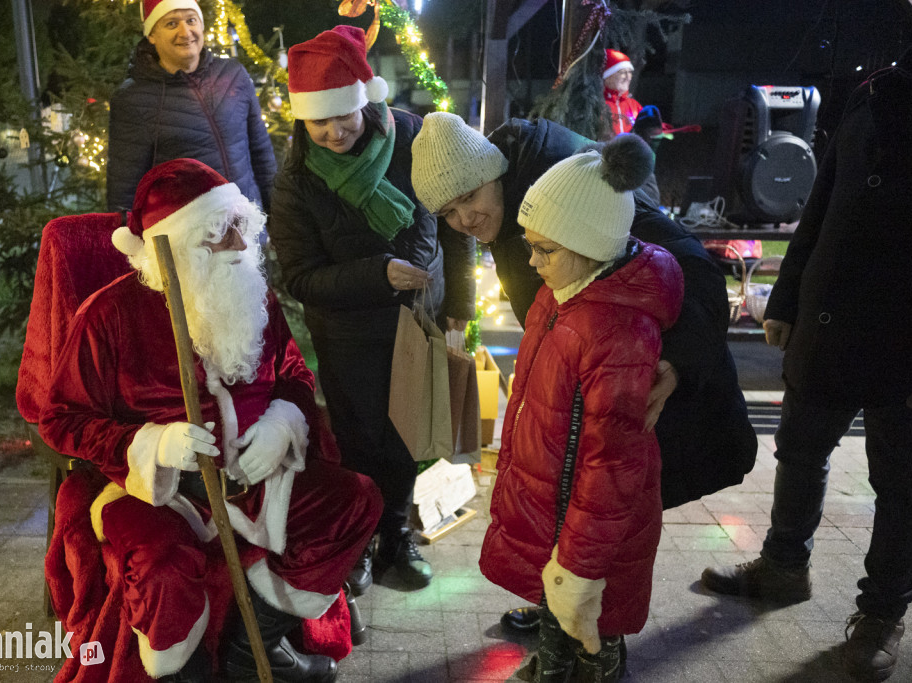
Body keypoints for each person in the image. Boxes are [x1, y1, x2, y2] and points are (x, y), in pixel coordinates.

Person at [39, 158, 382, 682]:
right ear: (178, 246)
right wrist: (150, 444)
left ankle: (255, 650)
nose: (242, 247)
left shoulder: (255, 295)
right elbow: (61, 419)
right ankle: (187, 672)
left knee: (356, 501)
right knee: (160, 569)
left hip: (257, 478)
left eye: (242, 227)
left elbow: (293, 373)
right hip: (159, 491)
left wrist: (282, 420)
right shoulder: (108, 316)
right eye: (221, 234)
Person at [411, 112, 757, 631]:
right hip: (578, 379)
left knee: (609, 519)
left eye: (470, 200)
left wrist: (679, 363)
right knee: (565, 504)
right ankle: (560, 609)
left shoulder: (575, 188)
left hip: (634, 383)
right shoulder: (502, 198)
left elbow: (689, 266)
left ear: (496, 172)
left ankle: (595, 633)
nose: (463, 219)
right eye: (448, 211)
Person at [700, 45, 912, 682]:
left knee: (902, 487)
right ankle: (784, 567)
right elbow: (821, 203)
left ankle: (880, 616)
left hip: (905, 335)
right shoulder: (877, 89)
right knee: (798, 448)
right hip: (831, 317)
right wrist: (788, 296)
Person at [267, 26, 476, 593]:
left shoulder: (414, 139)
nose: (334, 132)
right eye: (320, 122)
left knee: (410, 433)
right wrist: (377, 274)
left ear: (367, 101)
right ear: (303, 121)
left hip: (420, 319)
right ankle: (360, 539)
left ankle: (396, 536)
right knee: (361, 438)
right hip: (348, 333)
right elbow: (301, 277)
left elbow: (455, 224)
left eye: (345, 117)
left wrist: (460, 303)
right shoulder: (295, 181)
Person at [480, 135, 684, 682]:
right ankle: (555, 658)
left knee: (590, 600)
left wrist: (581, 560)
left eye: (544, 249)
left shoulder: (615, 331)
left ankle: (599, 663)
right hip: (553, 490)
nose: (532, 261)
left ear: (591, 246)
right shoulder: (563, 290)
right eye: (529, 245)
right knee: (556, 591)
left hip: (589, 512)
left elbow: (613, 463)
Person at [106, 0, 277, 214]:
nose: (185, 32)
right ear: (151, 35)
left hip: (247, 231)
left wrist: (276, 218)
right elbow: (124, 187)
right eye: (171, 24)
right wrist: (125, 240)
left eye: (191, 20)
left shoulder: (234, 75)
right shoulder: (133, 98)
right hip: (187, 241)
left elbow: (261, 154)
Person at [602, 49, 644, 139]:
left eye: (629, 72)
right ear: (608, 76)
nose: (628, 77)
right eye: (622, 72)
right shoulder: (597, 104)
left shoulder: (635, 106)